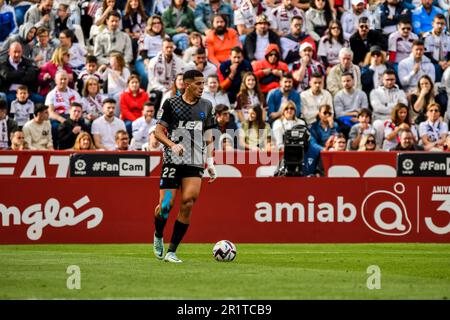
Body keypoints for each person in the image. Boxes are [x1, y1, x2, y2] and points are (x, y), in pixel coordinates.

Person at [152, 69, 216, 263]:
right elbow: (158, 132)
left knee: (188, 201)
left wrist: (211, 162)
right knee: (166, 206)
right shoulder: (171, 103)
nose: (202, 87)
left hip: (195, 161)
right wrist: (172, 145)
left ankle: (172, 251)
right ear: (187, 85)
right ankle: (158, 234)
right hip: (173, 160)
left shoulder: (207, 105)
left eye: (203, 84)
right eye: (198, 84)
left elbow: (208, 136)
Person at [147, 38, 187, 111]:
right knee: (158, 94)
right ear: (162, 48)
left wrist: (172, 88)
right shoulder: (153, 62)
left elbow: (181, 77)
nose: (169, 49)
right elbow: (152, 81)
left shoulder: (179, 62)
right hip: (157, 88)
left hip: (173, 88)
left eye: (171, 47)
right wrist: (164, 89)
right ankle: (157, 118)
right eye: (167, 47)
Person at [0, 41, 41, 106]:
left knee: (40, 99)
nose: (17, 54)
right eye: (15, 52)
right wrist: (23, 72)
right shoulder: (3, 63)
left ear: (22, 52)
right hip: (10, 92)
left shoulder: (28, 62)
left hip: (27, 92)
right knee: (9, 100)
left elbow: (31, 77)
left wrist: (14, 77)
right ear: (9, 52)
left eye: (19, 52)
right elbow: (7, 76)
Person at [135, 15, 166, 90]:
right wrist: (147, 63)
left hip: (160, 60)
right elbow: (143, 52)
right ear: (150, 25)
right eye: (154, 23)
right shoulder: (145, 36)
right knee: (147, 74)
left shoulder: (166, 37)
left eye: (159, 23)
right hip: (144, 59)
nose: (157, 25)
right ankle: (143, 94)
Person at [422, 13, 450, 82]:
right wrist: (439, 63)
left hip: (445, 62)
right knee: (436, 68)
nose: (440, 26)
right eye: (437, 23)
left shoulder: (448, 36)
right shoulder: (427, 37)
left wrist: (448, 62)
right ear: (432, 24)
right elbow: (426, 55)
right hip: (432, 62)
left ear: (445, 25)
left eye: (442, 24)